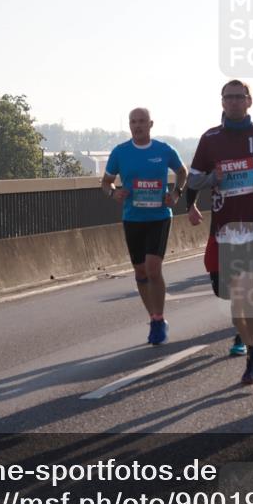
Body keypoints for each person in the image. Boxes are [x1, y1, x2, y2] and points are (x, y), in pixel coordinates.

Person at [187, 80, 253, 385]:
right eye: (228, 98)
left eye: (238, 97)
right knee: (236, 297)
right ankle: (252, 350)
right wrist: (213, 177)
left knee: (248, 288)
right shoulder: (210, 138)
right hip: (226, 226)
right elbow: (193, 181)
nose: (233, 102)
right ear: (222, 102)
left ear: (249, 100)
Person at [102, 107, 188, 346]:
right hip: (133, 218)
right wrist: (114, 194)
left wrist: (176, 193)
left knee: (152, 268)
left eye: (141, 122)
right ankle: (153, 317)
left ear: (151, 124)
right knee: (140, 272)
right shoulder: (120, 152)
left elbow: (182, 172)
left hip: (159, 216)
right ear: (129, 125)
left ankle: (159, 318)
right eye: (133, 122)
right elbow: (106, 183)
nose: (137, 126)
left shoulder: (163, 150)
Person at [187, 187, 246, 356]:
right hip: (218, 233)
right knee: (222, 291)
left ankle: (242, 335)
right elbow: (195, 179)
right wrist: (191, 205)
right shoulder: (212, 161)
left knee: (238, 289)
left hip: (245, 232)